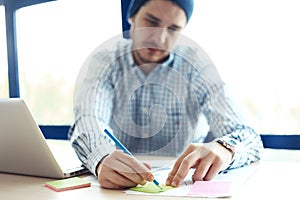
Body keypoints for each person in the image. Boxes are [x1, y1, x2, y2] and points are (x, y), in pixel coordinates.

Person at [69, 0, 264, 189]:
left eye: (173, 29)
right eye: (152, 22)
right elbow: (88, 119)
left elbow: (248, 136)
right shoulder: (106, 60)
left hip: (178, 187)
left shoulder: (197, 66)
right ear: (132, 17)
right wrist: (102, 157)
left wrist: (226, 148)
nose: (160, 39)